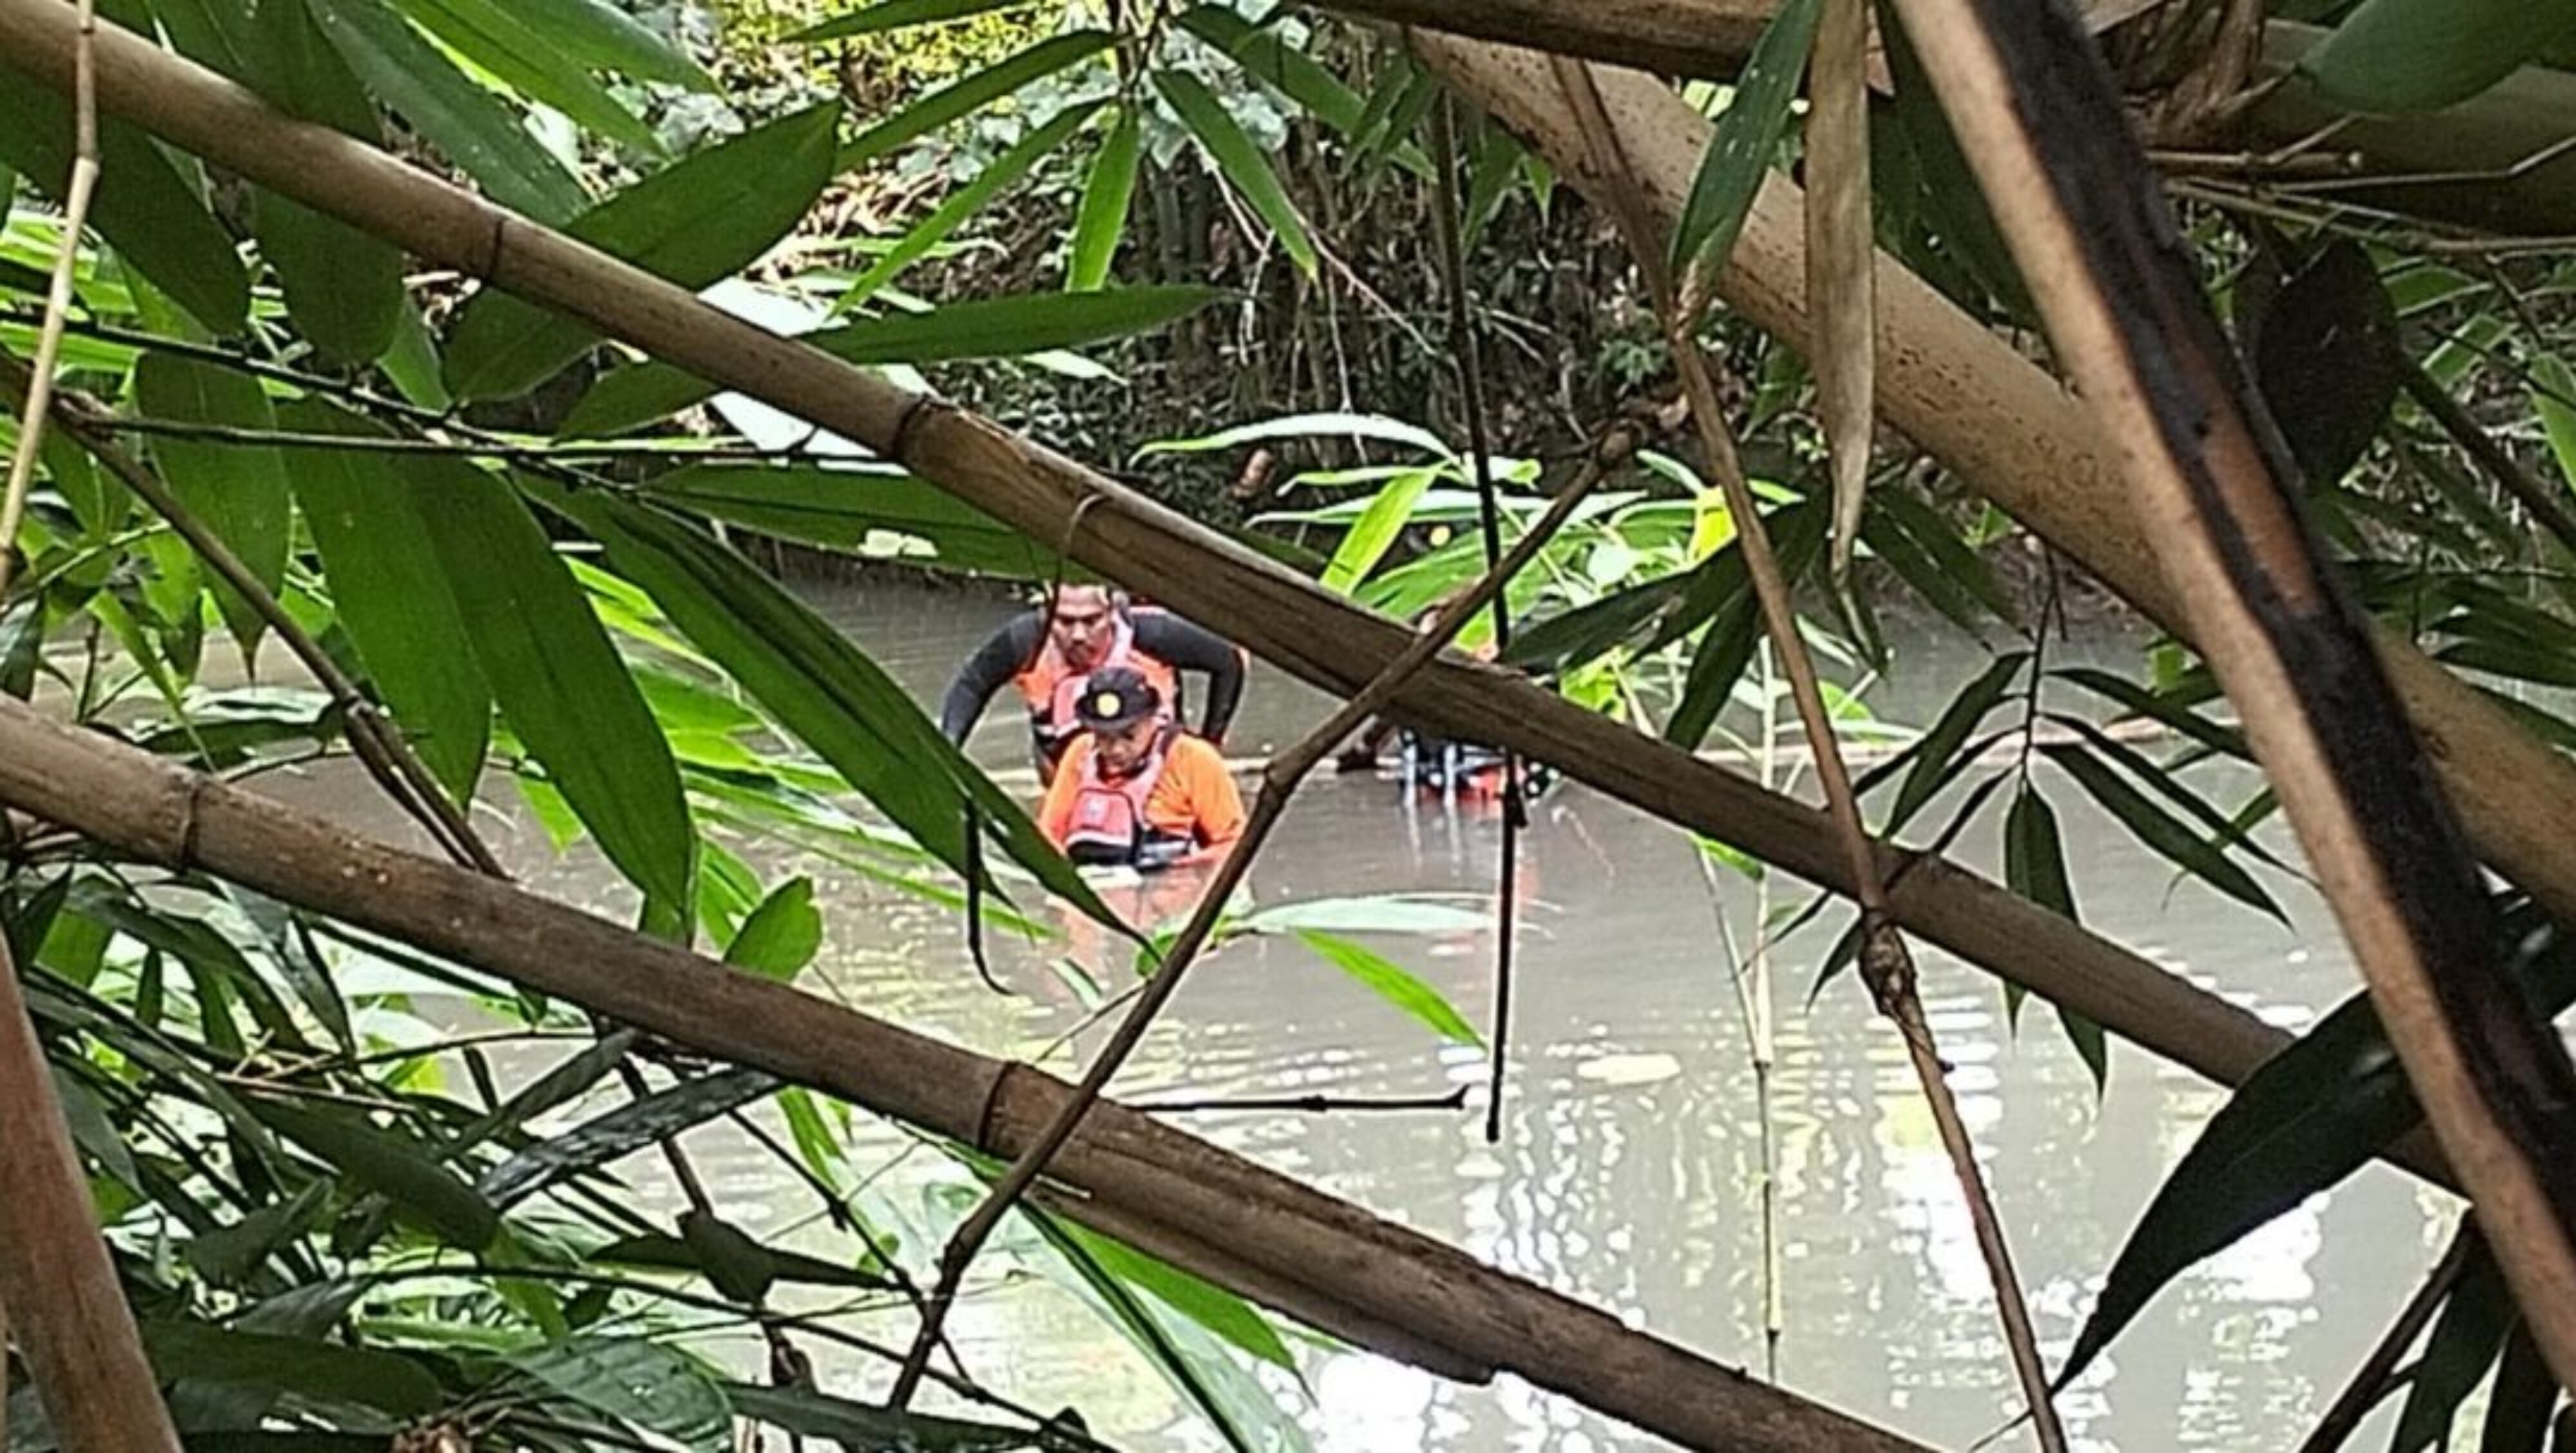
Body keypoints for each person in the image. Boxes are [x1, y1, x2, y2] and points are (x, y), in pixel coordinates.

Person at [939, 584, 1247, 776]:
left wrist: (1210, 746)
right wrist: (947, 750)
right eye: (1065, 621)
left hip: (1158, 768)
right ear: (1047, 611)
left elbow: (1229, 662)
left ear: (1112, 610)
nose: (1078, 635)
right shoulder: (1025, 640)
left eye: (1091, 621)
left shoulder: (1154, 633)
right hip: (1063, 767)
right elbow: (973, 682)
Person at [1039, 667, 1246, 870]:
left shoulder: (1193, 758)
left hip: (1174, 894)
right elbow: (1049, 835)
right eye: (1103, 737)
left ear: (1152, 720)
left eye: (1129, 735)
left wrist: (1178, 870)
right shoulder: (1080, 753)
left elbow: (1234, 844)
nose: (1116, 749)